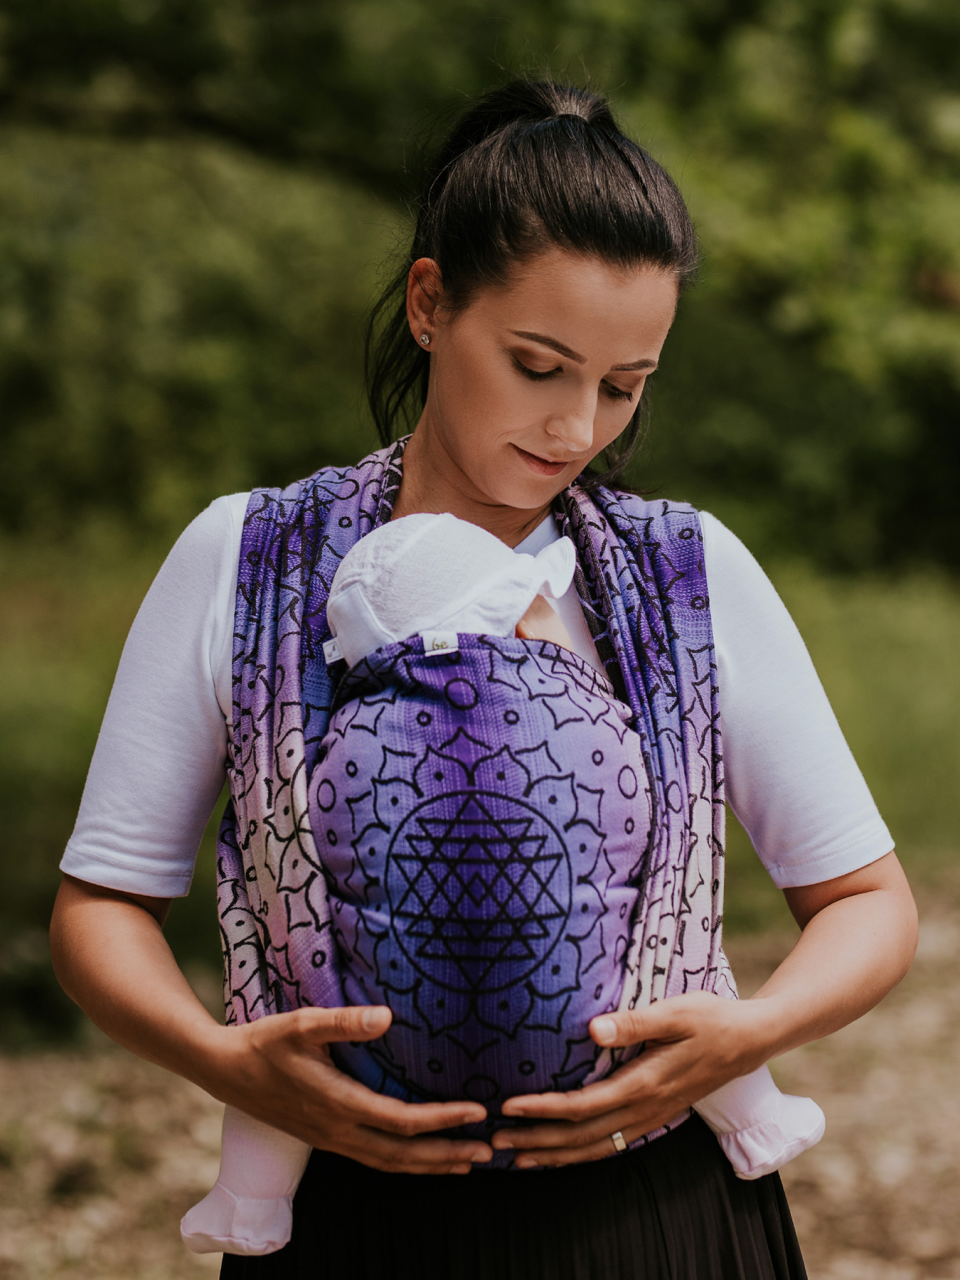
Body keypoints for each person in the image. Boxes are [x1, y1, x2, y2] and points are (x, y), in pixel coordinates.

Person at [49, 81, 917, 1280]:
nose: (575, 426)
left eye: (624, 384)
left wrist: (745, 1034)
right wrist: (225, 1061)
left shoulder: (686, 573)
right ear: (428, 302)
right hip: (356, 1222)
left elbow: (871, 904)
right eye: (537, 363)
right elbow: (99, 909)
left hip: (651, 1222)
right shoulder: (247, 560)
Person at [179, 513, 825, 1256]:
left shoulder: (326, 742)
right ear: (521, 616)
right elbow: (646, 841)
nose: (574, 426)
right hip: (621, 1087)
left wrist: (224, 1058)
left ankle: (250, 1200)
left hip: (371, 1109)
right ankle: (756, 1117)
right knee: (677, 964)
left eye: (618, 389)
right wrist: (751, 1032)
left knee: (287, 1000)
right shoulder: (600, 713)